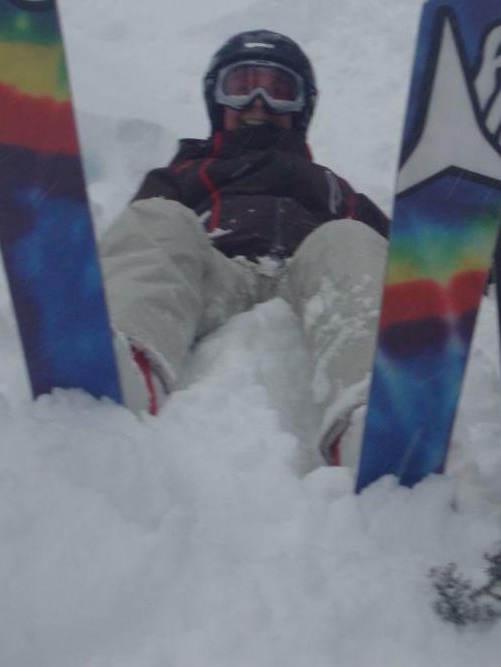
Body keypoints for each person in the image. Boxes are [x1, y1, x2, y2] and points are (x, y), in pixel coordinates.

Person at [100, 30, 389, 467]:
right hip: (217, 275)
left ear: (300, 109)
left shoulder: (332, 188)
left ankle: (370, 415)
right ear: (217, 102)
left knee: (349, 237)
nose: (259, 104)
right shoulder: (184, 174)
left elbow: (391, 255)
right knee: (158, 217)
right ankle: (127, 362)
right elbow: (143, 247)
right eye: (241, 88)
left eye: (279, 92)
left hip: (306, 284)